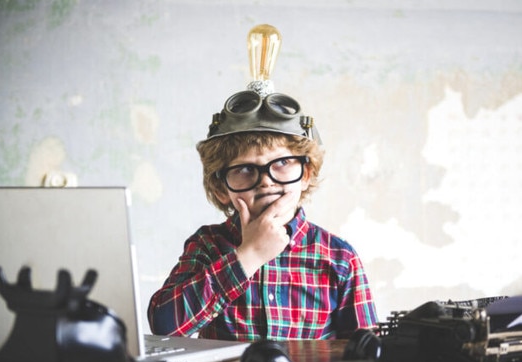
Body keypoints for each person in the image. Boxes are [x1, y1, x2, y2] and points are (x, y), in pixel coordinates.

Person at [147, 88, 378, 341]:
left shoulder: (339, 257)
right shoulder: (207, 245)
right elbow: (164, 327)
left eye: (281, 163)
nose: (266, 182)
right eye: (245, 168)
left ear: (306, 174)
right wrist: (248, 255)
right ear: (221, 188)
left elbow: (365, 352)